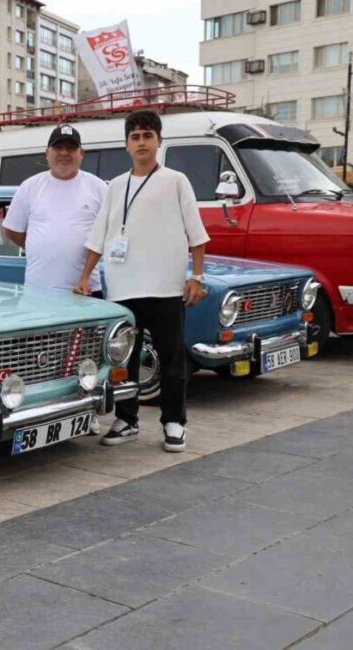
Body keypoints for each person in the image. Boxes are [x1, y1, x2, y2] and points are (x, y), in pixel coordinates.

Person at [75, 109, 209, 453]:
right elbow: (98, 235)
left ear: (159, 141)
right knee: (125, 361)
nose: (141, 142)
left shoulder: (176, 181)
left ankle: (174, 422)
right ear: (126, 145)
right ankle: (127, 419)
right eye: (135, 137)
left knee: (172, 359)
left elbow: (197, 234)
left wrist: (196, 276)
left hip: (165, 287)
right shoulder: (115, 186)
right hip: (123, 289)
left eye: (148, 136)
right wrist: (85, 276)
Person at [1, 124, 107, 295]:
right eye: (58, 147)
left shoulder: (99, 188)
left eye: (71, 148)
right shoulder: (29, 187)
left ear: (81, 153)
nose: (64, 153)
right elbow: (13, 230)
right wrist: (39, 245)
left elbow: (107, 235)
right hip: (38, 293)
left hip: (85, 292)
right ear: (47, 153)